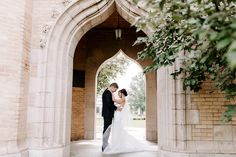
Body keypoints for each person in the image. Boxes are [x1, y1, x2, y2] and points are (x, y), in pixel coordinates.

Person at [103, 88, 146, 154]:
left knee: (118, 130)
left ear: (122, 93)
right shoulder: (122, 99)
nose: (118, 94)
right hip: (117, 115)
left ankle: (118, 144)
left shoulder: (123, 99)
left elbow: (113, 100)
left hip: (119, 116)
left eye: (119, 93)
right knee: (117, 130)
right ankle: (117, 143)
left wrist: (111, 92)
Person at [101, 83, 122, 152]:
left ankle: (105, 144)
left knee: (107, 129)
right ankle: (104, 146)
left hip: (108, 114)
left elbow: (110, 103)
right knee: (106, 129)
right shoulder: (107, 93)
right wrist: (116, 108)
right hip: (107, 114)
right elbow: (109, 104)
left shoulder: (108, 92)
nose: (115, 91)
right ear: (112, 87)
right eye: (115, 90)